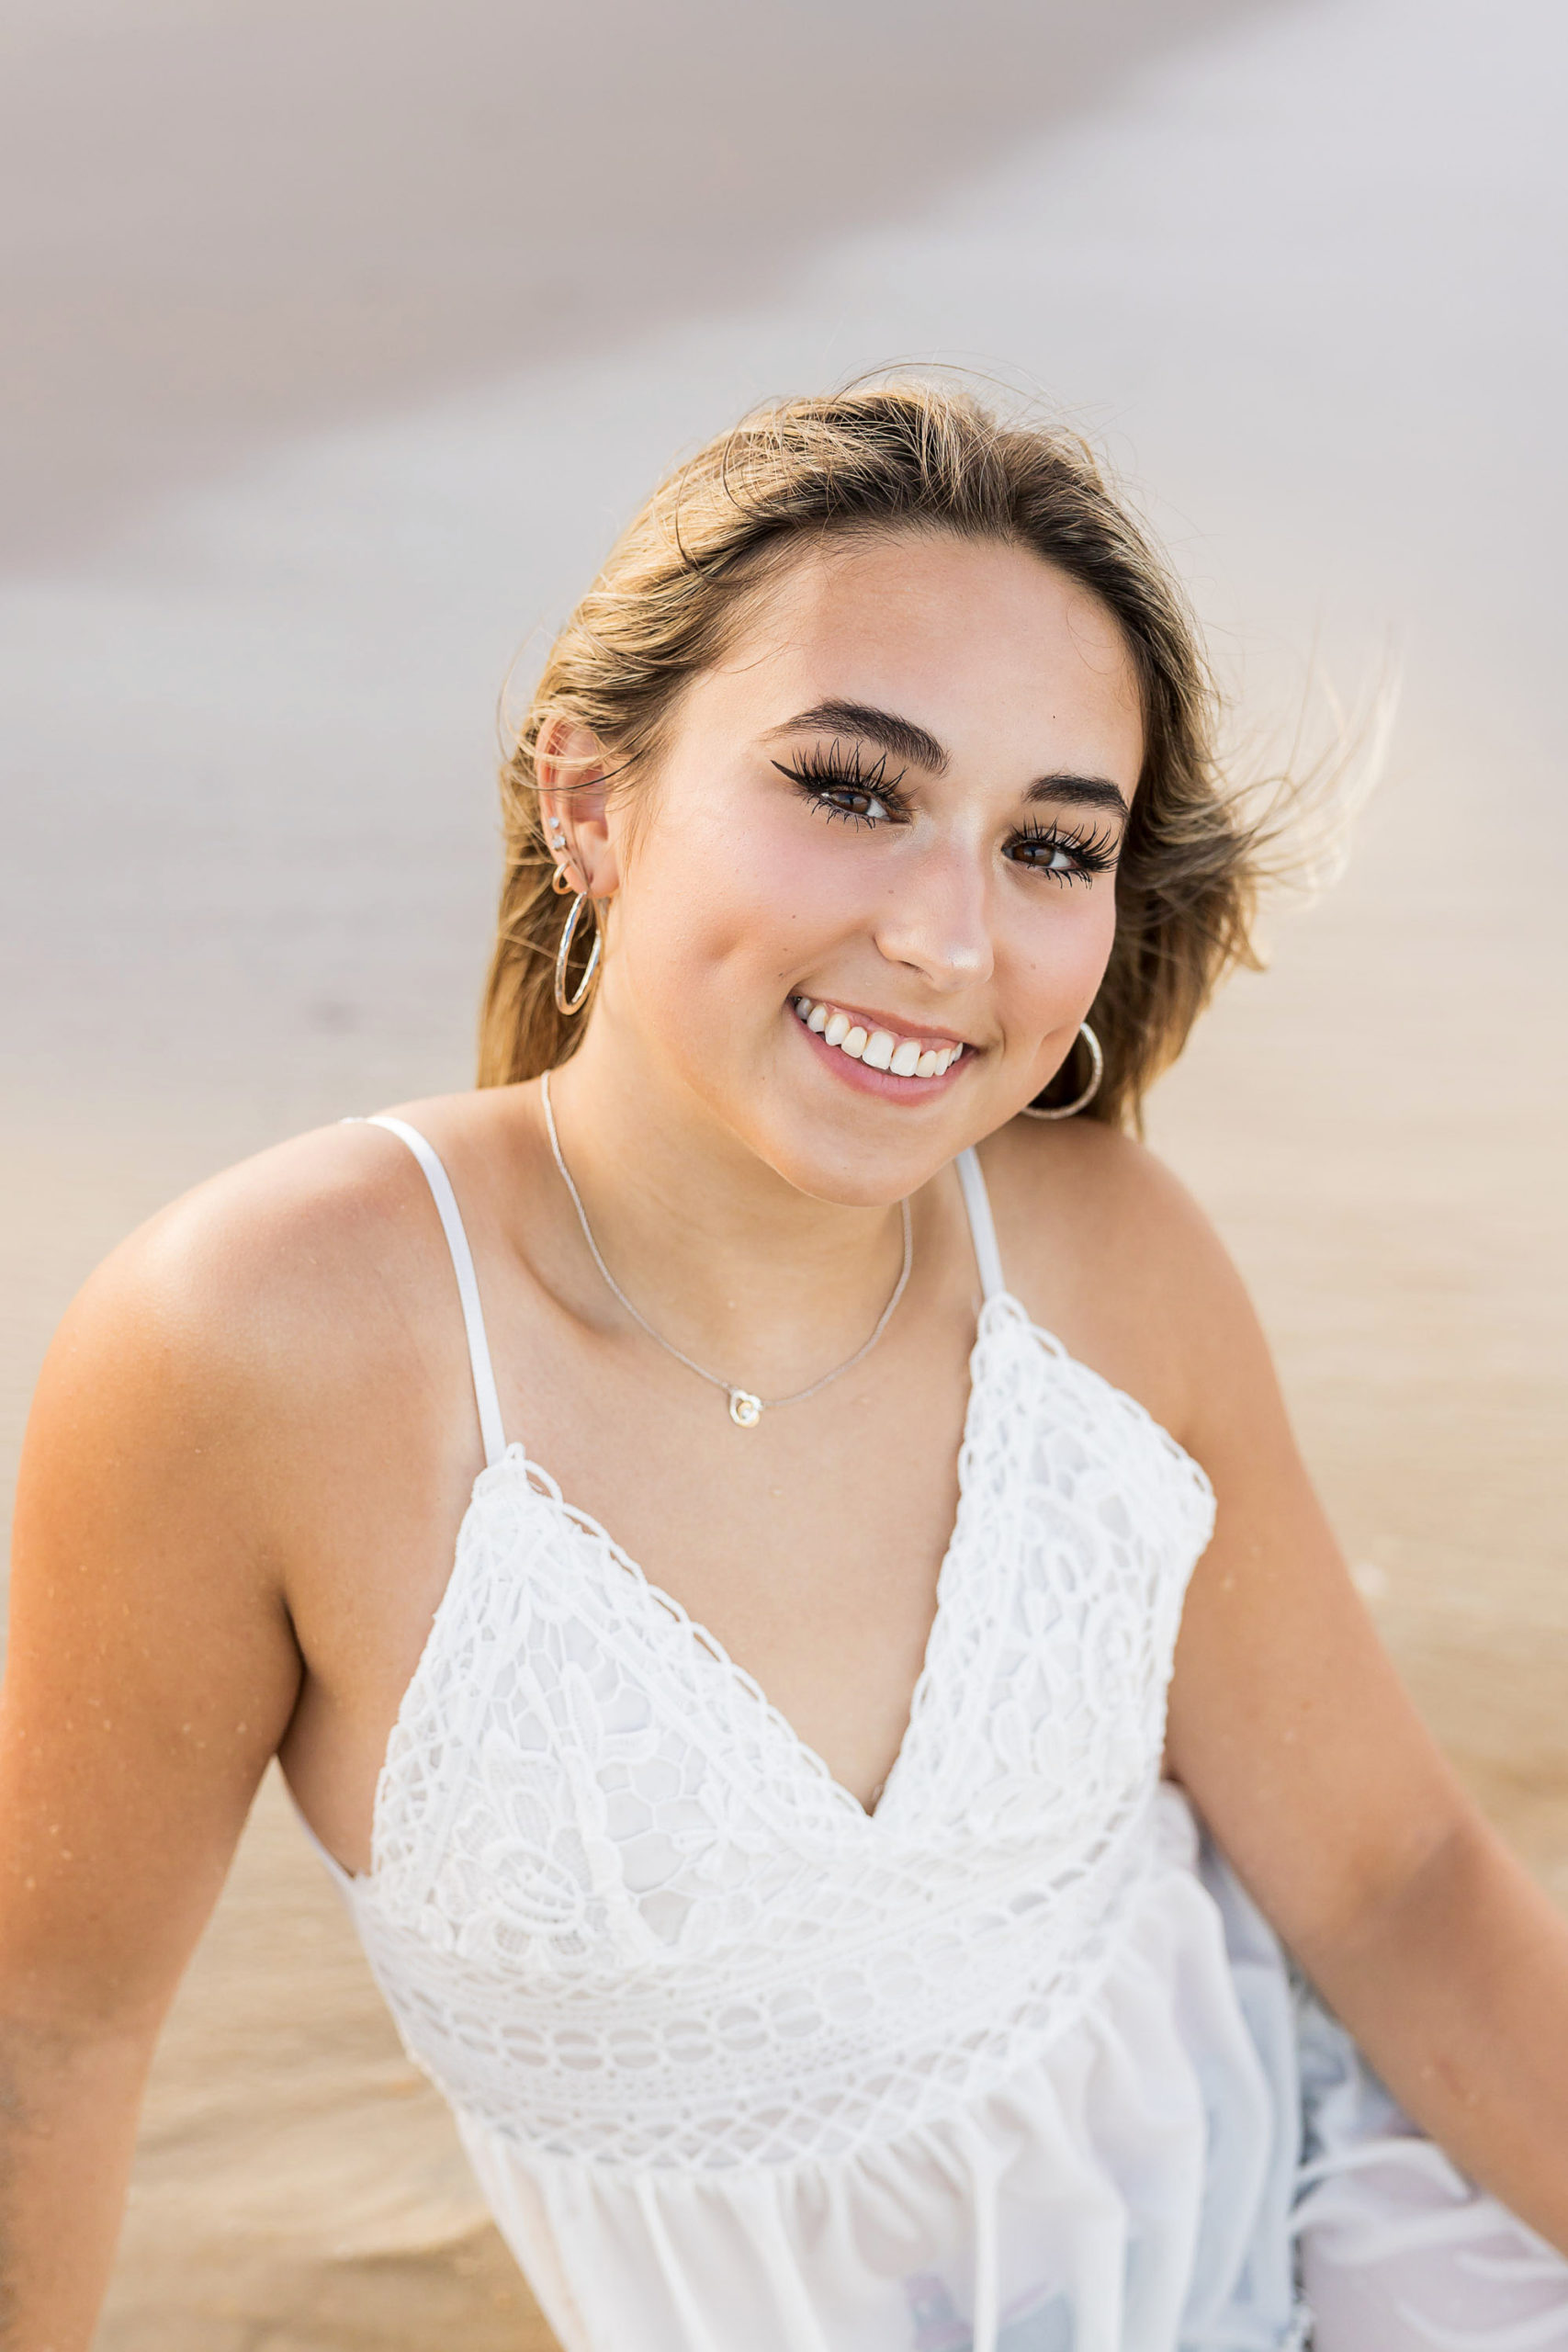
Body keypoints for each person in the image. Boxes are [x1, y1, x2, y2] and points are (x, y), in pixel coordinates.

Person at [3, 384, 1565, 2352]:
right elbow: (45, 2034)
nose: (943, 931)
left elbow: (1393, 1878)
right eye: (847, 786)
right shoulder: (263, 1344)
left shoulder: (1100, 1258)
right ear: (589, 796)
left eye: (1047, 844)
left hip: (1328, 2231)